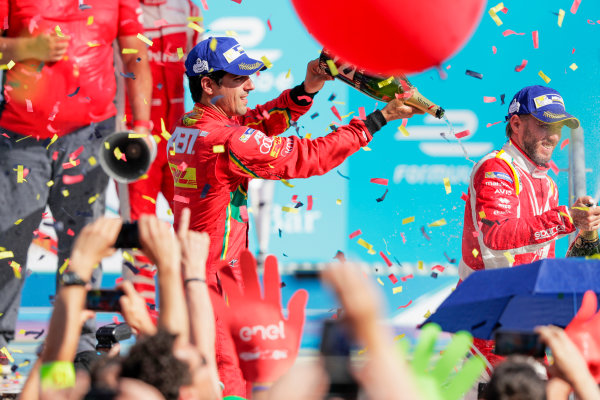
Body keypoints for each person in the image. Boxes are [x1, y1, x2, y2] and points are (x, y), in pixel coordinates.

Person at [166, 35, 424, 397]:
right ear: (208, 84)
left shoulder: (188, 127)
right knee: (230, 385)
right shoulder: (222, 141)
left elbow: (254, 125)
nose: (251, 84)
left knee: (206, 380)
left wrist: (308, 88)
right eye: (239, 79)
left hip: (193, 275)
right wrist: (376, 120)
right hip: (218, 285)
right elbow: (307, 157)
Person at [0, 0, 152, 361]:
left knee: (86, 246)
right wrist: (24, 48)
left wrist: (143, 126)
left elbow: (137, 57)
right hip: (21, 137)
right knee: (8, 245)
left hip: (90, 137)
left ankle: (80, 343)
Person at [459, 85, 600, 374]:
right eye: (543, 124)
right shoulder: (497, 167)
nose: (552, 135)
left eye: (557, 126)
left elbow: (539, 255)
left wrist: (585, 235)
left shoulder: (547, 183)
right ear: (516, 123)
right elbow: (498, 234)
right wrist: (567, 218)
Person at [119, 0, 200, 309]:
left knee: (195, 227)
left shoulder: (189, 6)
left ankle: (197, 323)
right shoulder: (118, 7)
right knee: (140, 237)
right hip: (135, 140)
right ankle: (143, 339)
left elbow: (198, 74)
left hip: (180, 140)